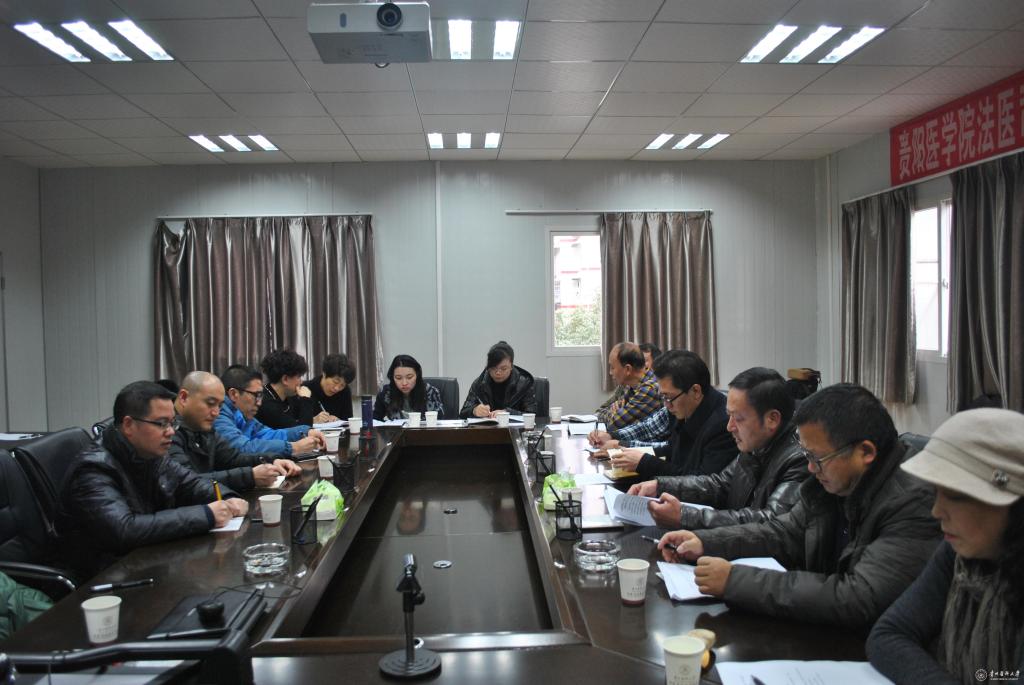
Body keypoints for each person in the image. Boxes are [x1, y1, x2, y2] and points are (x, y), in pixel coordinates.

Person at [658, 383, 941, 628]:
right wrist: (705, 542)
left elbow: (858, 597)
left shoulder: (913, 504)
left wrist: (735, 581)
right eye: (807, 455)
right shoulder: (833, 482)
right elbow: (783, 532)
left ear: (865, 452)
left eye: (817, 458)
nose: (810, 467)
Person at [867, 409, 1024, 684]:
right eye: (936, 493)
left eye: (955, 496)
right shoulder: (958, 553)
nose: (937, 511)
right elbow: (889, 634)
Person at [59, 381, 249, 579]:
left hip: (144, 560)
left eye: (172, 423)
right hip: (102, 578)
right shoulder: (93, 469)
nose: (171, 431)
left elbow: (190, 483)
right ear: (129, 425)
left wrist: (227, 498)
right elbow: (125, 530)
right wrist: (207, 515)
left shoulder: (149, 453)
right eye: (161, 423)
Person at [628, 367, 808, 530]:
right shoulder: (756, 444)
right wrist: (659, 486)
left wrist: (685, 516)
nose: (730, 427)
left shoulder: (800, 459)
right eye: (729, 416)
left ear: (772, 419)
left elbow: (770, 521)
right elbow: (719, 485)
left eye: (738, 418)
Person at [609, 349, 734, 479]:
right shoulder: (683, 407)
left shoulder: (723, 425)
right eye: (663, 397)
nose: (666, 406)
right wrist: (631, 453)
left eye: (668, 397)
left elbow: (700, 483)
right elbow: (673, 450)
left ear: (696, 391)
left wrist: (645, 462)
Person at [169, 371, 301, 492]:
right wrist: (250, 476)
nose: (216, 413)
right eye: (210, 403)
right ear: (184, 398)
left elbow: (233, 458)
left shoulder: (201, 426)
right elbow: (187, 482)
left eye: (219, 406)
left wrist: (272, 461)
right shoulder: (168, 432)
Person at [213, 364, 324, 456]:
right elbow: (242, 448)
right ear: (234, 394)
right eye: (256, 395)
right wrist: (293, 447)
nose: (259, 403)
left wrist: (305, 431)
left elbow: (267, 434)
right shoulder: (218, 414)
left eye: (260, 395)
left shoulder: (243, 414)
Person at [459, 341, 537, 418]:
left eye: (503, 369)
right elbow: (463, 413)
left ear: (511, 366)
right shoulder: (479, 384)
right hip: (487, 426)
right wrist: (474, 410)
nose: (498, 373)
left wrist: (508, 413)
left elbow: (533, 414)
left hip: (514, 426)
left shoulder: (524, 384)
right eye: (493, 368)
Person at [595, 342, 661, 432]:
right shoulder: (630, 385)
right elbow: (599, 414)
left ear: (628, 369)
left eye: (612, 367)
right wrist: (615, 412)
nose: (610, 373)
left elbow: (613, 425)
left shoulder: (649, 389)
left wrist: (617, 412)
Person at [373, 354, 445, 420]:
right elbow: (375, 421)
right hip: (396, 430)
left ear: (417, 375)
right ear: (392, 378)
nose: (404, 383)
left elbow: (440, 422)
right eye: (398, 378)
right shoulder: (385, 393)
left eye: (409, 377)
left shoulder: (431, 392)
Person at [256, 349, 313, 429]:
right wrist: (305, 399)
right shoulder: (267, 405)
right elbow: (303, 432)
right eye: (299, 377)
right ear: (285, 379)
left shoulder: (288, 396)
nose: (301, 381)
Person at [301, 353, 356, 422]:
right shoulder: (305, 388)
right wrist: (312, 420)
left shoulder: (345, 391)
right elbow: (294, 422)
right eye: (335, 382)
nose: (337, 388)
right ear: (324, 374)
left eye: (342, 385)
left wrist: (338, 420)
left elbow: (348, 420)